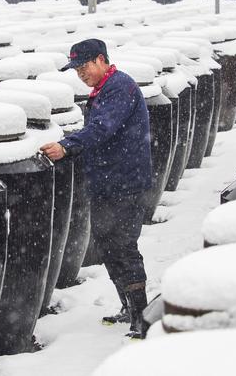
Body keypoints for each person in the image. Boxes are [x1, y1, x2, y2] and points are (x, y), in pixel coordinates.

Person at [40, 38, 153, 339]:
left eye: (84, 66)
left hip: (126, 183)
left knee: (124, 246)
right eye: (76, 69)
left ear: (102, 60)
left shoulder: (120, 87)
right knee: (107, 243)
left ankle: (141, 316)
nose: (81, 73)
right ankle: (128, 306)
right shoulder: (104, 89)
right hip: (107, 183)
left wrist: (67, 146)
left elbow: (102, 128)